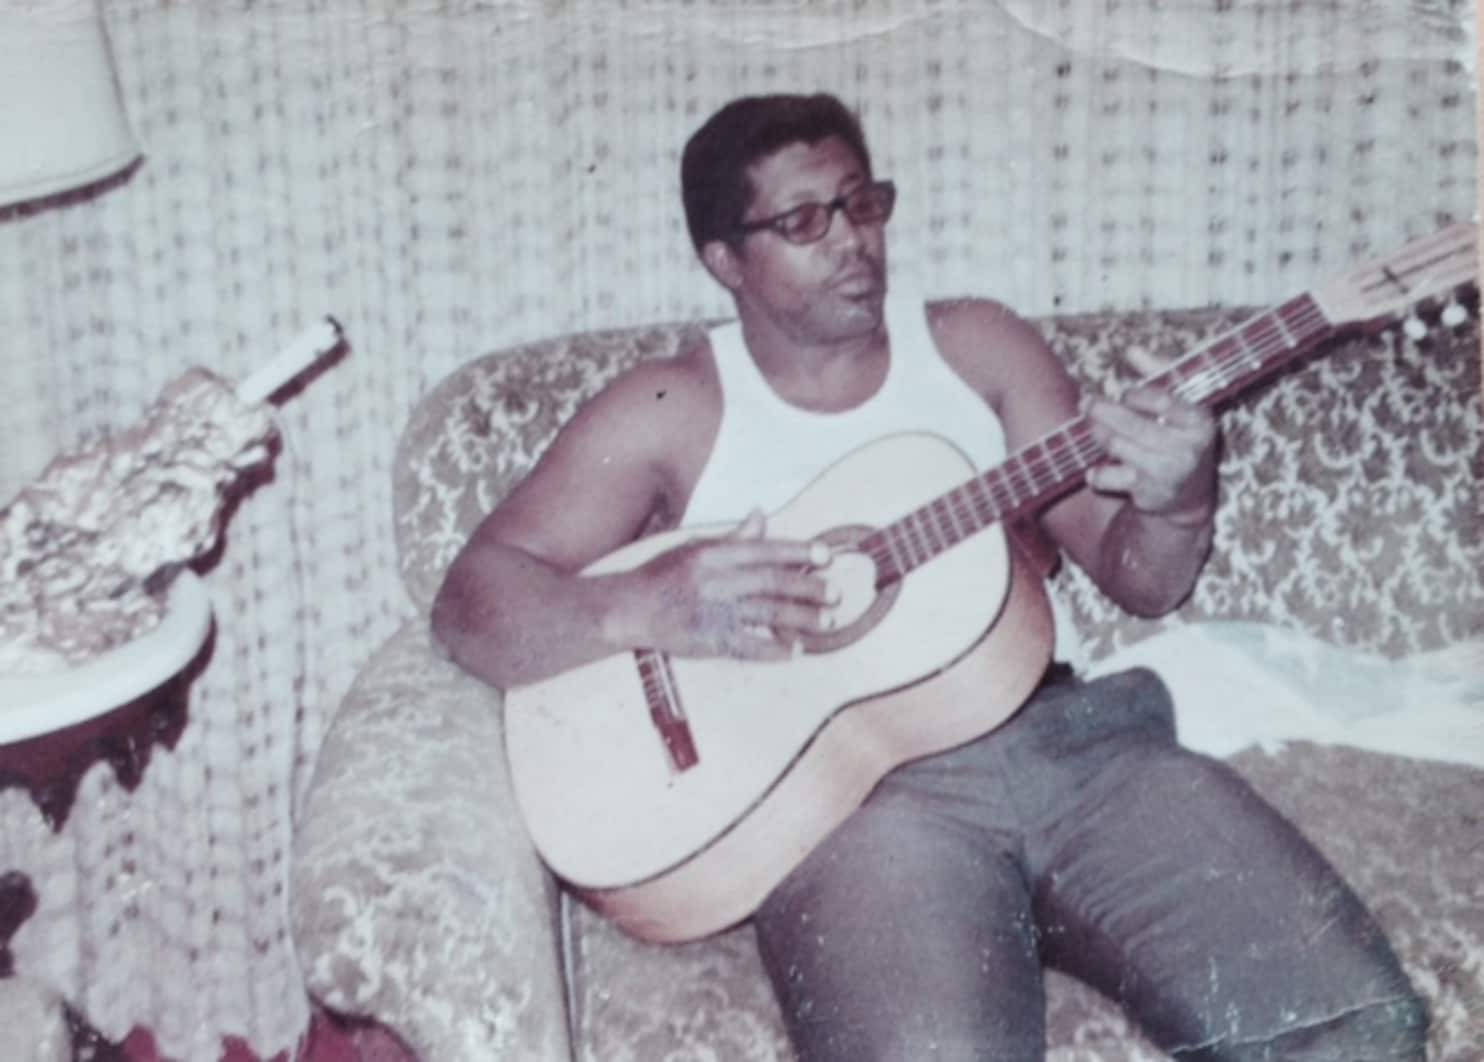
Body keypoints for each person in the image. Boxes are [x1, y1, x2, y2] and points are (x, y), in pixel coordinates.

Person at [431, 94, 1426, 1061]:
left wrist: (1178, 500)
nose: (851, 241)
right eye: (803, 221)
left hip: (1075, 751)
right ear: (722, 260)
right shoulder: (669, 406)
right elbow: (472, 601)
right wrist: (647, 602)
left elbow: (1139, 582)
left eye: (861, 203)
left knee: (1356, 1024)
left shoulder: (975, 347)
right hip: (851, 812)